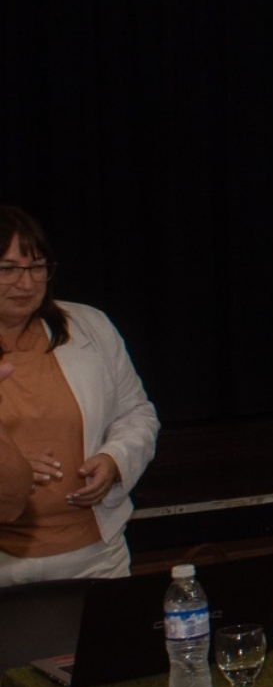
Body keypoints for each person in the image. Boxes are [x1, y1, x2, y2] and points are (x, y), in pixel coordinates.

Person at [0, 206, 158, 586]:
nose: (26, 283)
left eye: (37, 267)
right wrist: (11, 468)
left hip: (97, 557)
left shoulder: (89, 326)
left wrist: (114, 459)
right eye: (8, 269)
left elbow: (137, 413)